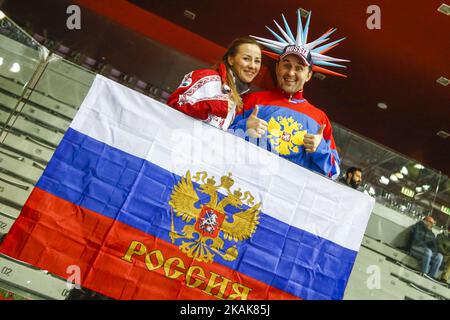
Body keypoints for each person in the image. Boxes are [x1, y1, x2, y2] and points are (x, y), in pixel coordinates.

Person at [228, 10, 348, 179]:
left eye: (299, 68)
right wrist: (243, 128)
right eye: (286, 65)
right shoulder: (252, 100)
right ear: (277, 68)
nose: (291, 73)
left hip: (284, 200)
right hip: (242, 188)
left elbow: (334, 173)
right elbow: (219, 138)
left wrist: (320, 149)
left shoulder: (320, 119)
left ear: (308, 75)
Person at [167, 37, 262, 130]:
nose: (252, 66)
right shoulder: (207, 77)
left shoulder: (235, 97)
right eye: (246, 59)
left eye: (257, 61)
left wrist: (244, 127)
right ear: (231, 60)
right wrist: (212, 105)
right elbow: (173, 103)